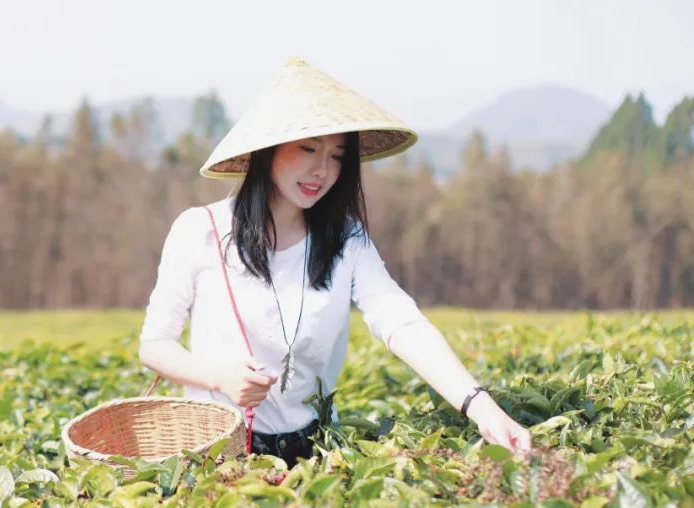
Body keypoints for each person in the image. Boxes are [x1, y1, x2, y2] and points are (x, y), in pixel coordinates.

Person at [138, 58, 531, 465]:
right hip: (221, 446)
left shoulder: (347, 240)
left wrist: (483, 408)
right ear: (267, 151)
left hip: (316, 453)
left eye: (337, 156)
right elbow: (154, 345)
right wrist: (218, 376)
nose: (322, 171)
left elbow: (401, 322)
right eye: (308, 149)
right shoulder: (200, 231)